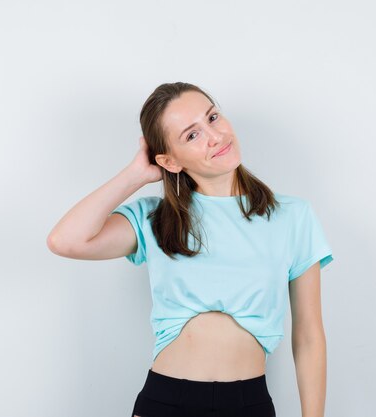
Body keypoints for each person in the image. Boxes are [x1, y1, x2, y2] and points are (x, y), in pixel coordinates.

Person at [46, 82, 334, 417]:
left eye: (212, 117)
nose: (215, 136)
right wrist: (136, 175)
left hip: (248, 403)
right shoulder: (154, 218)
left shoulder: (292, 216)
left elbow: (309, 335)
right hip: (166, 400)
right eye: (192, 135)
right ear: (169, 160)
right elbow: (65, 241)